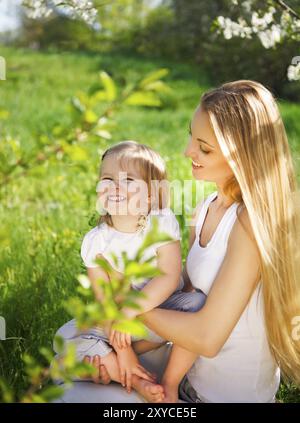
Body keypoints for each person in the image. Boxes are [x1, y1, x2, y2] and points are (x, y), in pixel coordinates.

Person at [56, 80, 300, 403]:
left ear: (240, 154)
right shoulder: (207, 207)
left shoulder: (251, 224)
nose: (188, 151)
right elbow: (182, 288)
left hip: (216, 397)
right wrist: (119, 338)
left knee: (73, 393)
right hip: (184, 371)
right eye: (190, 136)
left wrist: (127, 305)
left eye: (204, 147)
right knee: (66, 341)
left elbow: (207, 338)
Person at [53, 140, 206, 403]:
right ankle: (135, 377)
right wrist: (124, 350)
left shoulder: (161, 221)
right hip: (116, 322)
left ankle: (169, 383)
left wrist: (130, 311)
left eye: (128, 180)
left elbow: (169, 277)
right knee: (64, 338)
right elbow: (104, 301)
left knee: (198, 304)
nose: (115, 187)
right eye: (108, 178)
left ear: (150, 194)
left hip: (162, 311)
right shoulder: (96, 241)